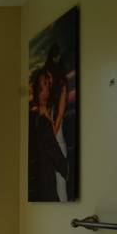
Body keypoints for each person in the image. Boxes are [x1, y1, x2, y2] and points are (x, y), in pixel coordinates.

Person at [28, 68, 68, 201]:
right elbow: (55, 154)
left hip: (37, 185)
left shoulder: (34, 117)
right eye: (45, 84)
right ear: (38, 89)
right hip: (46, 185)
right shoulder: (43, 122)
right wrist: (68, 172)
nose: (48, 88)